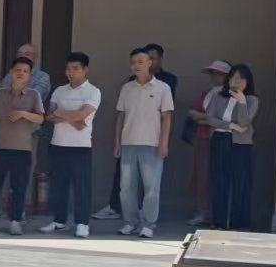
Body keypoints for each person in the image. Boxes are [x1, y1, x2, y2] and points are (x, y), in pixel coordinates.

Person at [98, 43, 179, 220]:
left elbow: (167, 116)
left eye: (141, 62)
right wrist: (117, 142)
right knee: (126, 187)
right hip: (128, 143)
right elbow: (120, 114)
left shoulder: (164, 86)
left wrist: (164, 143)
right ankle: (130, 221)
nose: (137, 66)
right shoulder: (127, 87)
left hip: (152, 143)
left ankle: (148, 223)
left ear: (151, 62)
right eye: (133, 62)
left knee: (151, 187)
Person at [0, 57, 44, 234]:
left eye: (25, 71)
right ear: (11, 72)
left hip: (23, 149)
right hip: (0, 147)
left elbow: (40, 118)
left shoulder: (34, 95)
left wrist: (23, 113)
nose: (21, 73)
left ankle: (16, 220)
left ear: (29, 75)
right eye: (18, 70)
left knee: (19, 187)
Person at [42, 51, 100, 236]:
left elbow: (81, 115)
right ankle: (59, 221)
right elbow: (50, 115)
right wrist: (75, 118)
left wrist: (64, 114)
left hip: (80, 146)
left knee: (81, 186)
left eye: (75, 68)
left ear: (85, 69)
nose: (70, 72)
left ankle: (82, 223)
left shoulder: (93, 91)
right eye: (68, 68)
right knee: (58, 185)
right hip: (58, 144)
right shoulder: (59, 90)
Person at [202, 63, 259, 230]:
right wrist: (230, 126)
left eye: (241, 79)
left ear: (248, 82)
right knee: (219, 180)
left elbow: (244, 123)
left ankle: (238, 222)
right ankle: (219, 221)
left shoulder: (252, 100)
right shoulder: (218, 96)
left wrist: (241, 103)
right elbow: (210, 118)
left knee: (240, 182)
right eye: (234, 77)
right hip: (220, 139)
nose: (237, 81)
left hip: (240, 144)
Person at [184, 60, 231, 225]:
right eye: (212, 73)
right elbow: (192, 112)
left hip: (222, 139)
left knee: (219, 176)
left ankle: (219, 213)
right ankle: (202, 212)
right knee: (201, 175)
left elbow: (224, 119)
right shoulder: (207, 94)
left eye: (218, 73)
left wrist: (207, 119)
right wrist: (207, 118)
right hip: (203, 138)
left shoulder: (230, 95)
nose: (214, 77)